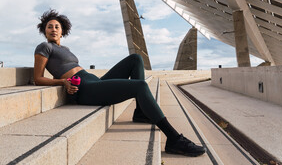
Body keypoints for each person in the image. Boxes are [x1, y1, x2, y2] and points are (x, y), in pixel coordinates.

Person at [33, 9, 206, 157]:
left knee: (135, 59)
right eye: (50, 27)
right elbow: (38, 78)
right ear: (44, 30)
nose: (53, 29)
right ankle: (174, 139)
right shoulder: (44, 47)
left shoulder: (65, 49)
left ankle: (140, 112)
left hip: (93, 80)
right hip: (85, 90)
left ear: (62, 31)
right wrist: (63, 82)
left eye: (57, 27)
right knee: (140, 86)